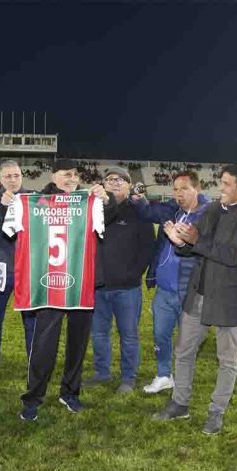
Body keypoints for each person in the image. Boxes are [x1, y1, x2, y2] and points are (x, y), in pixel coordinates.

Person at [153, 163, 237, 434]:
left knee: (227, 359)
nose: (220, 188)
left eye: (226, 184)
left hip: (228, 298)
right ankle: (180, 402)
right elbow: (194, 242)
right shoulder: (213, 209)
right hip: (199, 293)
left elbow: (232, 255)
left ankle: (216, 412)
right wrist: (181, 241)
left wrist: (195, 242)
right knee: (184, 351)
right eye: (221, 182)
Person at [18, 158, 116, 421]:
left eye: (74, 174)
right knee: (43, 344)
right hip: (50, 283)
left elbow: (110, 217)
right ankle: (33, 397)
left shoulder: (88, 200)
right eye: (65, 174)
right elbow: (23, 218)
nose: (71, 178)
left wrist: (105, 199)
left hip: (82, 282)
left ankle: (70, 392)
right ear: (53, 176)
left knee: (78, 344)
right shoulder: (38, 200)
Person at [129, 170, 209, 394]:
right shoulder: (173, 210)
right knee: (161, 335)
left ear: (197, 189)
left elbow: (209, 250)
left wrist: (188, 240)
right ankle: (164, 375)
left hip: (191, 290)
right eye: (175, 189)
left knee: (187, 343)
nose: (179, 194)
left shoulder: (208, 215)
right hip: (164, 290)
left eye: (184, 189)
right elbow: (147, 212)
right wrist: (137, 197)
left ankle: (183, 384)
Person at [83, 166, 154, 393]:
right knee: (99, 333)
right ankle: (102, 372)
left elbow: (147, 248)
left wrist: (134, 273)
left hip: (127, 287)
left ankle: (128, 377)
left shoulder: (139, 212)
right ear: (103, 185)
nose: (115, 182)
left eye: (121, 179)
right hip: (99, 286)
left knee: (129, 335)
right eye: (110, 179)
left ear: (129, 185)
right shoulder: (92, 209)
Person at [0, 160, 36, 385]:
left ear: (22, 176)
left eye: (16, 175)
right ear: (0, 179)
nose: (13, 179)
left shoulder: (31, 198)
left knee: (31, 322)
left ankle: (34, 365)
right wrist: (4, 208)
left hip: (27, 269)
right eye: (8, 176)